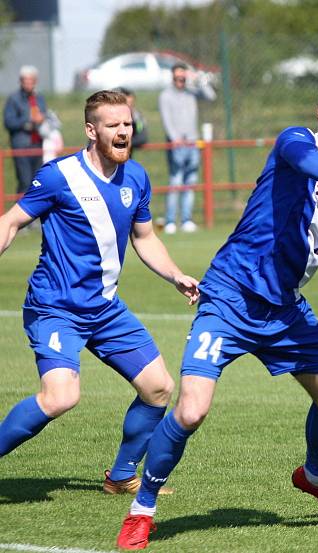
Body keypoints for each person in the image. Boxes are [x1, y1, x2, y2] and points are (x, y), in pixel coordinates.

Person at [115, 72, 318, 550]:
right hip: (230, 296)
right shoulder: (296, 143)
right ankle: (142, 510)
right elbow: (311, 162)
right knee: (191, 409)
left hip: (285, 310)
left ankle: (315, 478)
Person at [0, 91, 200, 497]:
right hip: (55, 308)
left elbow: (144, 238)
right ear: (92, 131)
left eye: (127, 124)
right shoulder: (59, 176)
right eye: (114, 125)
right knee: (60, 397)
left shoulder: (137, 178)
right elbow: (10, 222)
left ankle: (122, 475)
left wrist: (175, 275)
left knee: (158, 387)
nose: (124, 131)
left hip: (105, 309)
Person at [158, 62, 216, 234]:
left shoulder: (191, 91)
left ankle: (186, 220)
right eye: (178, 76)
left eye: (183, 76)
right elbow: (166, 119)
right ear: (172, 76)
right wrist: (174, 138)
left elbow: (210, 96)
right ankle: (170, 221)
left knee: (190, 182)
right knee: (176, 180)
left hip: (193, 142)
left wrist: (199, 80)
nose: (180, 79)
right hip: (176, 144)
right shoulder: (166, 95)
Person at [4, 65, 47, 195]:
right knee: (25, 182)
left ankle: (36, 214)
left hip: (38, 143)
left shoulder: (39, 98)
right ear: (21, 81)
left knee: (37, 182)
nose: (28, 83)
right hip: (21, 146)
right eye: (25, 80)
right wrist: (27, 120)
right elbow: (9, 122)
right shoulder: (14, 99)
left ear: (35, 81)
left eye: (31, 80)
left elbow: (44, 115)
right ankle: (20, 213)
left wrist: (43, 118)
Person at [117, 87, 149, 152]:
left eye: (131, 104)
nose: (129, 107)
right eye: (125, 104)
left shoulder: (137, 117)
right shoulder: (109, 118)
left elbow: (142, 137)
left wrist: (125, 142)